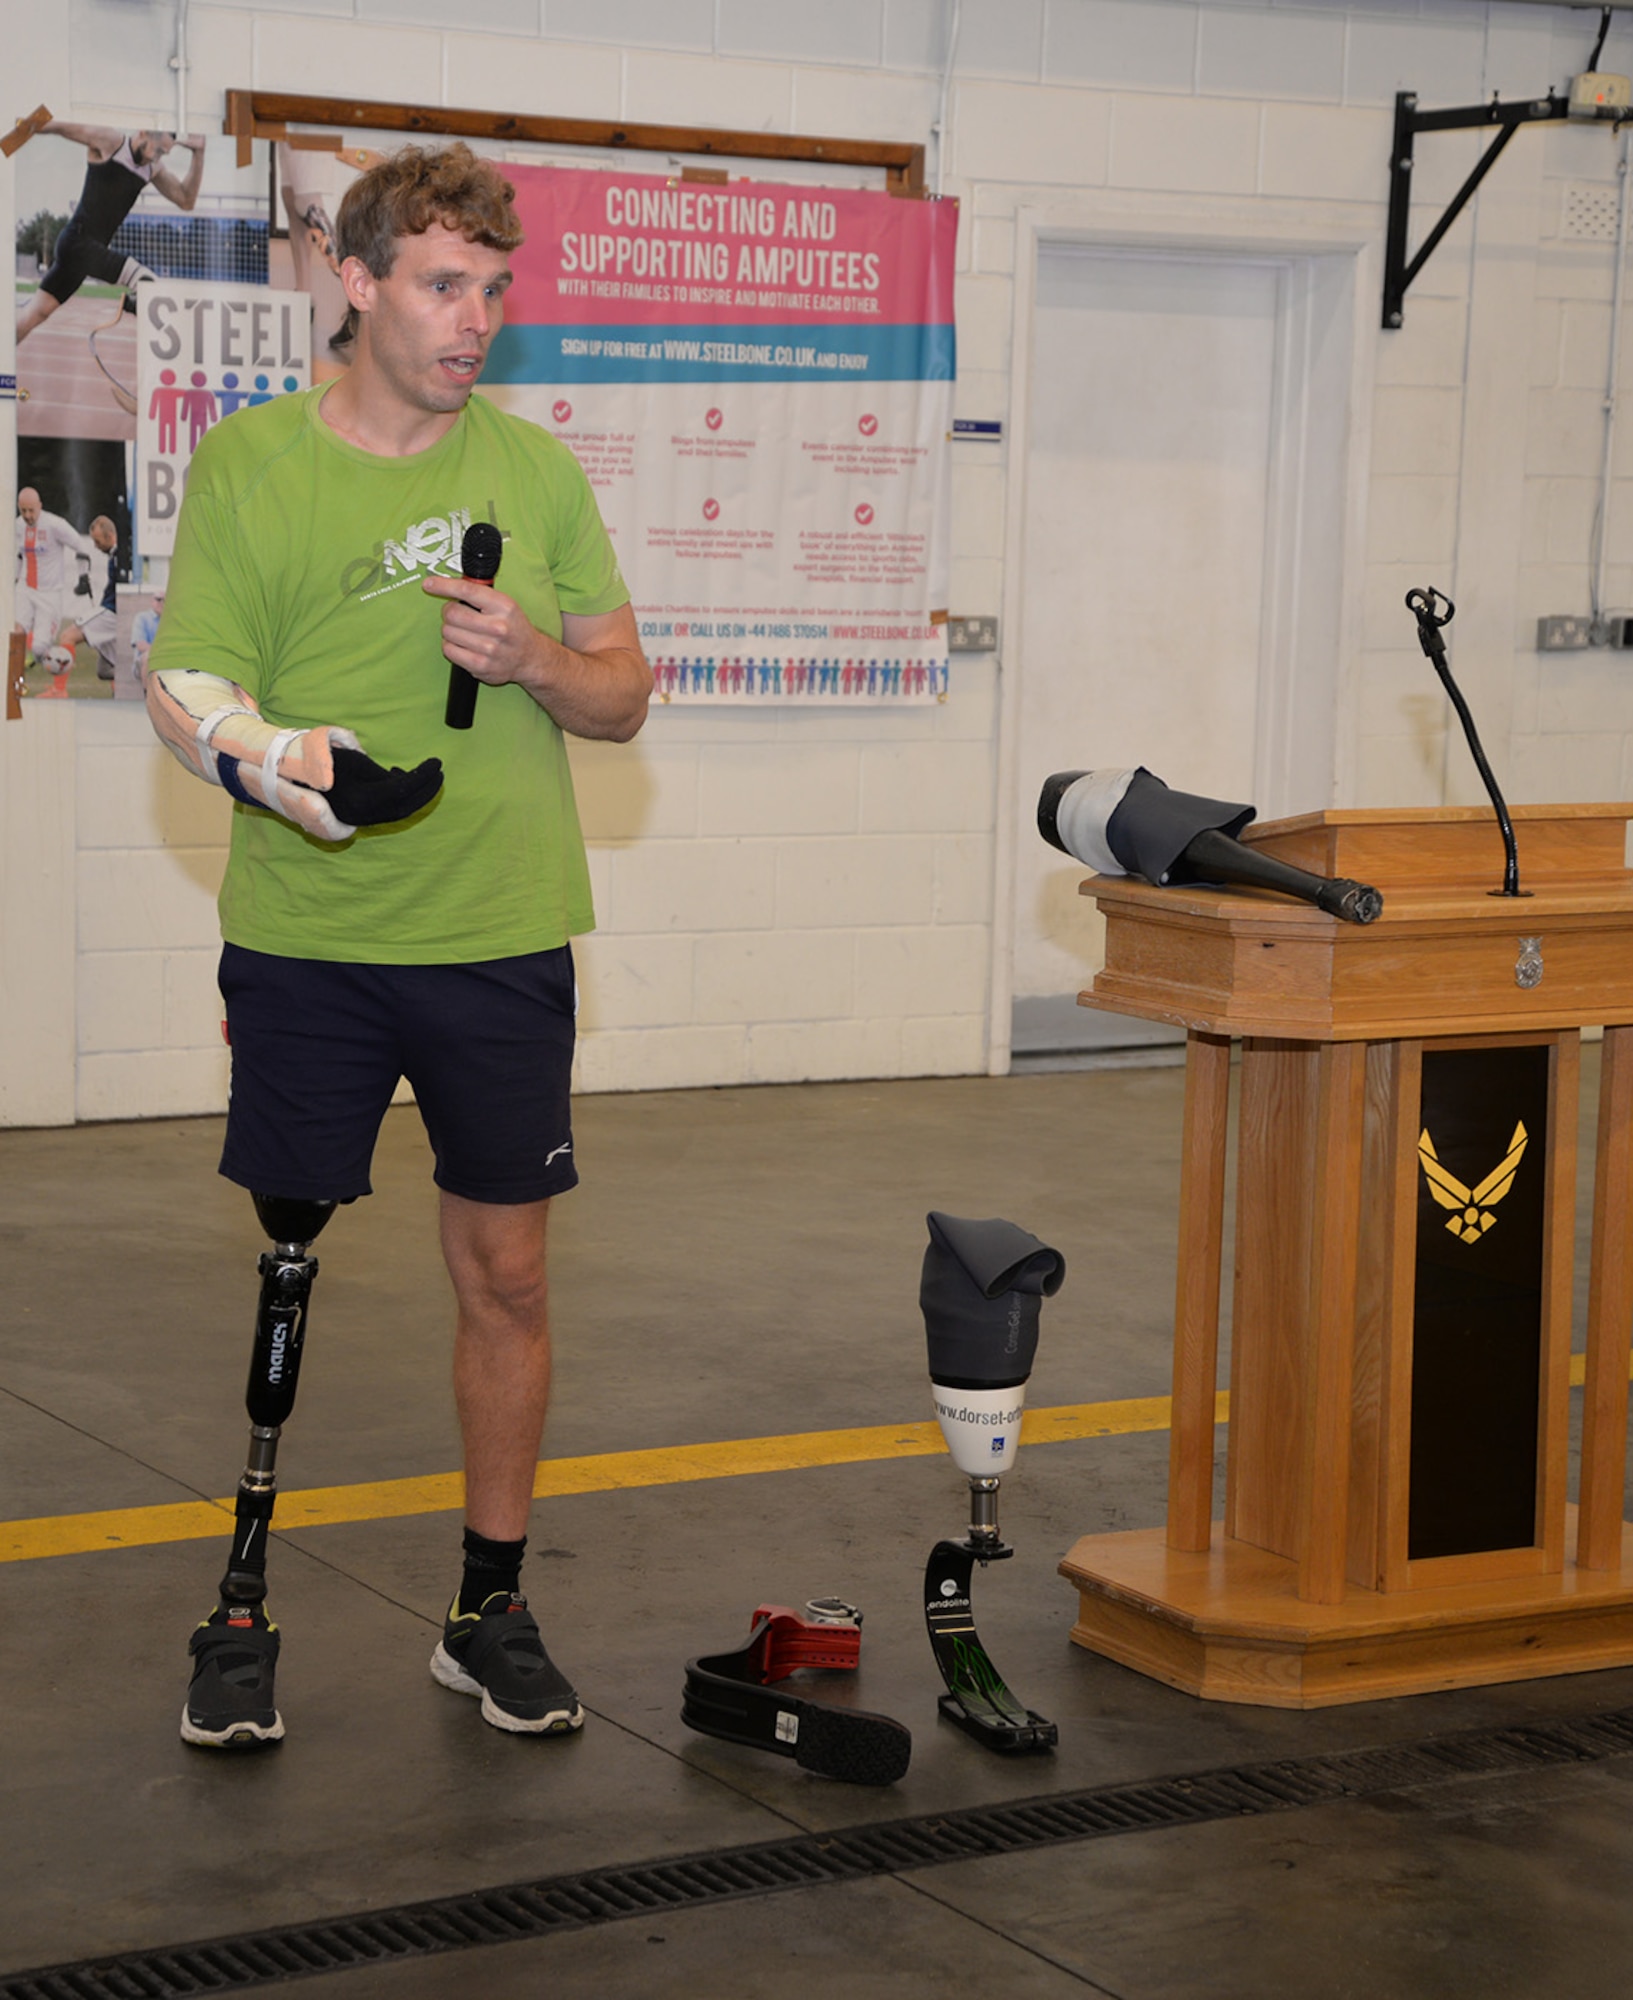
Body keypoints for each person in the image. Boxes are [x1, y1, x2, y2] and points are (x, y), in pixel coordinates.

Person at [145, 143, 651, 1749]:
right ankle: (242, 1602)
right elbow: (187, 690)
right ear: (356, 283)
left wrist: (539, 663)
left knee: (506, 1273)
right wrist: (288, 773)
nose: (475, 318)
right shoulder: (254, 466)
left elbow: (625, 690)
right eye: (445, 285)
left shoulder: (537, 470)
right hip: (310, 938)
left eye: (494, 289)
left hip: (500, 932)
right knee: (289, 1252)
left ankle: (486, 1605)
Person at [16, 125, 204, 345]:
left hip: (87, 253)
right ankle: (134, 304)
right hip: (77, 243)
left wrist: (199, 153)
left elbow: (186, 200)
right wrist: (14, 133)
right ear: (143, 132)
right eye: (158, 150)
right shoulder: (111, 142)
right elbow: (59, 127)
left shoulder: (152, 168)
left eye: (163, 154)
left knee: (35, 314)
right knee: (148, 282)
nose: (157, 158)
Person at [14, 487, 94, 694]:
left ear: (40, 506)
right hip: (25, 588)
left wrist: (83, 576)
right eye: (23, 511)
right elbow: (18, 556)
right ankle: (14, 686)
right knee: (15, 632)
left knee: (40, 648)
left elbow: (81, 546)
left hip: (50, 594)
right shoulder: (17, 526)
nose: (28, 516)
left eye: (31, 510)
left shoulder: (55, 525)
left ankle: (56, 668)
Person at [52, 516, 122, 684]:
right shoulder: (116, 556)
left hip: (112, 614)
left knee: (67, 635)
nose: (95, 547)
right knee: (105, 670)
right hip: (115, 614)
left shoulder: (121, 558)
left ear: (110, 536)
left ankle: (59, 689)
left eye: (97, 541)